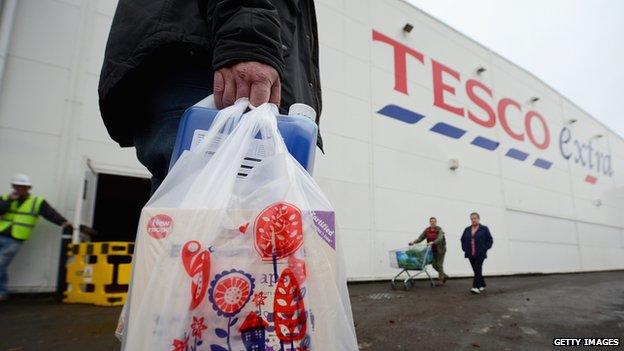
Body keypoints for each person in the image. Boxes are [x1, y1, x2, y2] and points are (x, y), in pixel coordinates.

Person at [99, 0, 322, 192]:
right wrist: (248, 37)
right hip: (216, 68)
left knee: (193, 226)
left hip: (225, 62)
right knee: (212, 224)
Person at [0, 174, 73, 301]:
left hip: (15, 238)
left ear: (28, 188)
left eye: (22, 187)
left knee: (1, 263)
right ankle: (2, 291)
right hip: (1, 232)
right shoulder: (5, 198)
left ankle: (2, 292)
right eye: (17, 186)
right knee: (1, 265)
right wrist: (9, 201)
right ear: (13, 186)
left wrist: (63, 222)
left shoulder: (36, 202)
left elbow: (49, 213)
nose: (19, 189)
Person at [460, 212, 493, 294]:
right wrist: (464, 249)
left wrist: (485, 248)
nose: (473, 220)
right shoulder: (467, 229)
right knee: (476, 270)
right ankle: (482, 285)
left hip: (480, 253)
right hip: (470, 253)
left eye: (475, 218)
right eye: (471, 219)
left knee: (477, 268)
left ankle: (475, 287)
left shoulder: (484, 228)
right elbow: (462, 239)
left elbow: (490, 240)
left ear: (478, 218)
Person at [409, 217, 448, 285]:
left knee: (439, 264)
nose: (432, 222)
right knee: (434, 265)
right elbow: (420, 238)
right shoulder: (427, 230)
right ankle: (444, 275)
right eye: (431, 221)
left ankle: (441, 281)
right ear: (429, 222)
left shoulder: (439, 230)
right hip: (432, 250)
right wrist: (414, 242)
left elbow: (440, 238)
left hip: (440, 250)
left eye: (434, 221)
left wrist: (433, 242)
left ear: (436, 222)